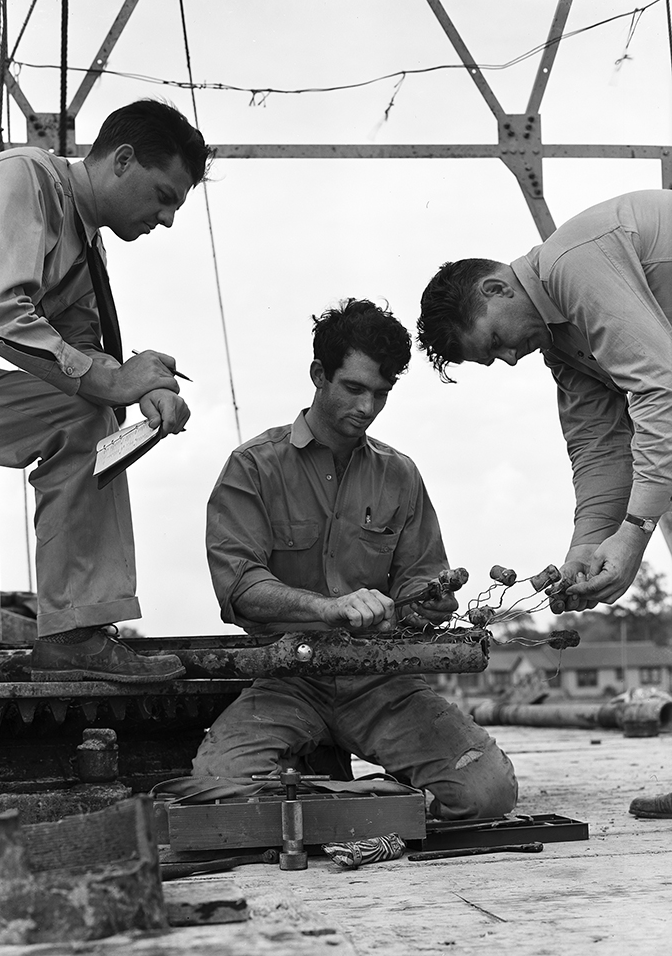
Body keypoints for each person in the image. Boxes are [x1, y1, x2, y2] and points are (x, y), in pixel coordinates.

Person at [193, 299, 517, 821]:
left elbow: (419, 581)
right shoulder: (252, 467)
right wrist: (329, 608)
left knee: (488, 794)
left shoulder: (400, 475)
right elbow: (239, 590)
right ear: (319, 374)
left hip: (382, 680)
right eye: (354, 388)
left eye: (382, 394)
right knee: (215, 792)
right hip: (287, 679)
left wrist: (429, 603)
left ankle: (342, 797)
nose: (367, 407)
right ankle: (364, 799)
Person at [0, 99, 209, 682]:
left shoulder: (84, 243)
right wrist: (109, 383)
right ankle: (75, 627)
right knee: (86, 409)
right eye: (164, 196)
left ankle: (75, 627)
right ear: (122, 160)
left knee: (86, 411)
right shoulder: (24, 177)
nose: (170, 218)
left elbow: (82, 351)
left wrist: (141, 386)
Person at [417, 190, 672, 616]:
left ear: (496, 288)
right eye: (494, 359)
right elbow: (598, 447)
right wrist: (585, 552)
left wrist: (635, 531)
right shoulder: (560, 344)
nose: (513, 358)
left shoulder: (570, 264)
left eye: (496, 341)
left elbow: (660, 390)